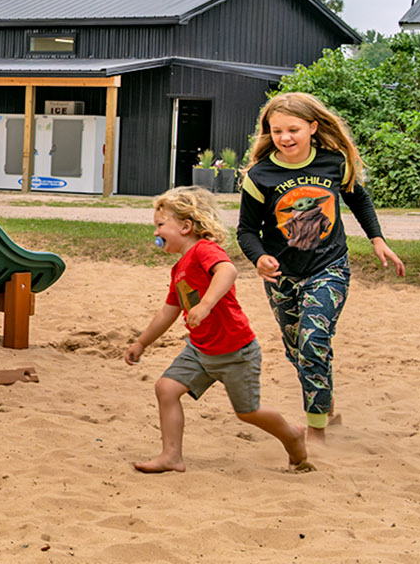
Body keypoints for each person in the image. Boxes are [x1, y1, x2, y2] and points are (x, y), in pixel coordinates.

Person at [236, 92, 405, 444]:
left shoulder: (334, 163)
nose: (285, 137)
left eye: (293, 129)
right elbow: (247, 231)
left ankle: (316, 434)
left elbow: (359, 198)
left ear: (312, 127)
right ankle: (324, 402)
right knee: (297, 349)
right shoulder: (260, 175)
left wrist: (377, 239)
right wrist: (259, 258)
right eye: (276, 130)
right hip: (282, 275)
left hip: (329, 268)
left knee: (314, 343)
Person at [125, 186, 311, 473]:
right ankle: (171, 456)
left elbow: (228, 271)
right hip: (200, 350)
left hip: (235, 351)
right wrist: (142, 343)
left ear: (186, 226)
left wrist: (207, 304)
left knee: (248, 412)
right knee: (166, 388)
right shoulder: (178, 270)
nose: (155, 233)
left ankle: (292, 435)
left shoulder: (204, 250)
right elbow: (168, 311)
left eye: (160, 225)